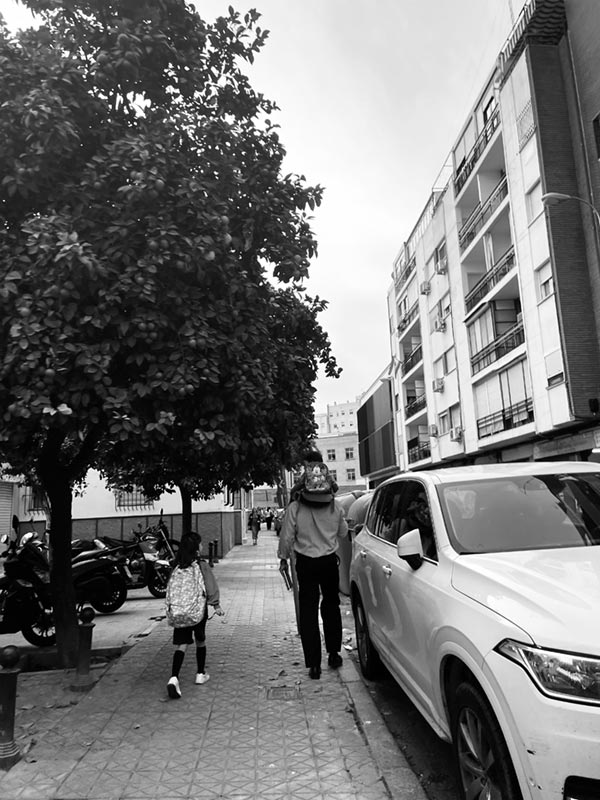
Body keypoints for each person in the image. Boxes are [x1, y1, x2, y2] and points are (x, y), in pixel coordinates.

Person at [277, 470, 348, 680]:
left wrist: (282, 558)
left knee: (308, 612)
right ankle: (334, 654)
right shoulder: (335, 506)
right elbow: (343, 532)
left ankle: (314, 665)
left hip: (306, 564)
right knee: (331, 606)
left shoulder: (295, 507)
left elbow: (287, 536)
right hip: (328, 563)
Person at [166, 533, 224, 699]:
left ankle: (173, 677)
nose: (202, 546)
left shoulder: (177, 566)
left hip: (179, 611)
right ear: (196, 548)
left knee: (182, 644)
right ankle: (200, 673)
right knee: (200, 640)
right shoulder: (201, 565)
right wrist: (216, 604)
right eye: (200, 544)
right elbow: (210, 586)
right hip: (198, 610)